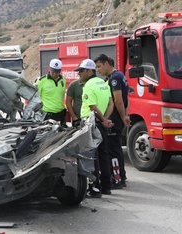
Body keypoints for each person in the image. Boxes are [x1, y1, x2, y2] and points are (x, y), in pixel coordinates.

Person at [75, 59, 114, 197]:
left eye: (81, 71)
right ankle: (107, 187)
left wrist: (102, 120)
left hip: (90, 124)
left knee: (91, 156)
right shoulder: (103, 83)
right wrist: (106, 119)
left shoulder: (89, 86)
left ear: (89, 71)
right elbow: (111, 104)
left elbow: (92, 107)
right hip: (101, 124)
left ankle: (95, 188)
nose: (78, 74)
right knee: (103, 154)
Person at [94, 54, 131, 188]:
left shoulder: (114, 78)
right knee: (116, 149)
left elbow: (118, 100)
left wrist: (122, 117)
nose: (98, 70)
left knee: (112, 150)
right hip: (118, 118)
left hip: (114, 119)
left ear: (106, 63)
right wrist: (126, 115)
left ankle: (116, 180)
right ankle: (121, 175)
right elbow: (128, 99)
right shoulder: (120, 75)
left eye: (99, 66)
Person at [35, 59, 66, 126]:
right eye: (53, 71)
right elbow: (35, 98)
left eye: (57, 72)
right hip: (47, 115)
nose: (54, 74)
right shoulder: (41, 81)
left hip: (61, 114)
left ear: (60, 71)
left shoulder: (63, 80)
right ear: (49, 69)